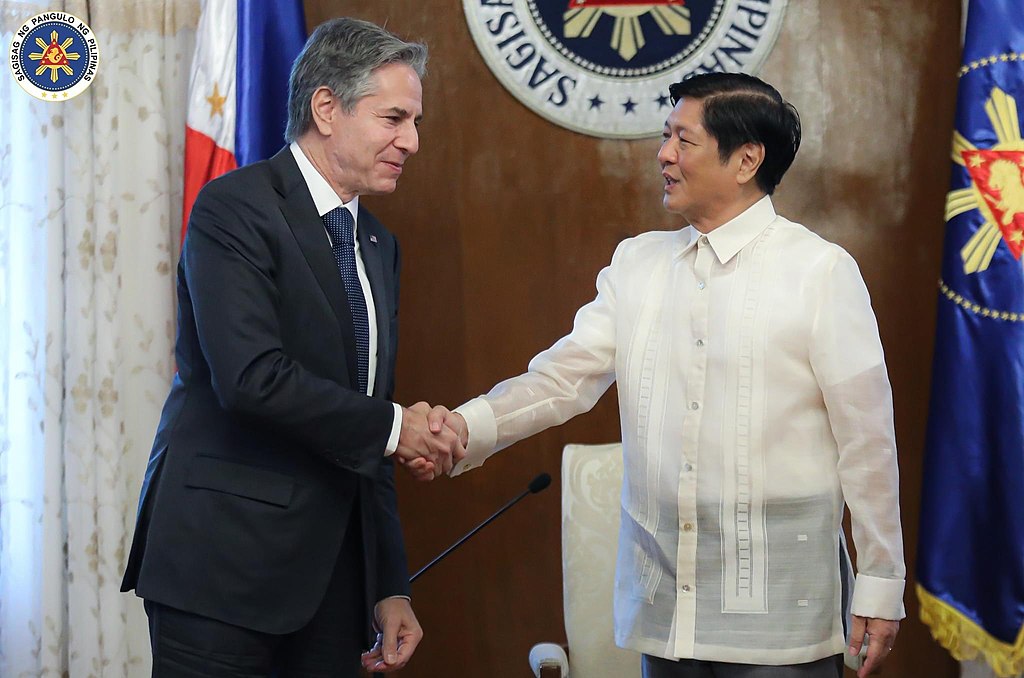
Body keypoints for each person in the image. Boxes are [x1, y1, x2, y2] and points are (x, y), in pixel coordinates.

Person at [430, 73, 905, 678]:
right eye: (665, 137)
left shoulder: (821, 271)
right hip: (665, 608)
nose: (664, 155)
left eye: (684, 140)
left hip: (779, 614)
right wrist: (460, 429)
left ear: (746, 160)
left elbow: (868, 441)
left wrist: (880, 583)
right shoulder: (638, 264)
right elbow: (561, 380)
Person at [121, 18, 462, 677]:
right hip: (220, 572)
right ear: (327, 108)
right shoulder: (236, 207)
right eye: (395, 118)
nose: (411, 142)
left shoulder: (377, 245)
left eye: (415, 123)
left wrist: (390, 583)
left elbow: (366, 421)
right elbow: (252, 378)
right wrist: (399, 427)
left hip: (331, 589)